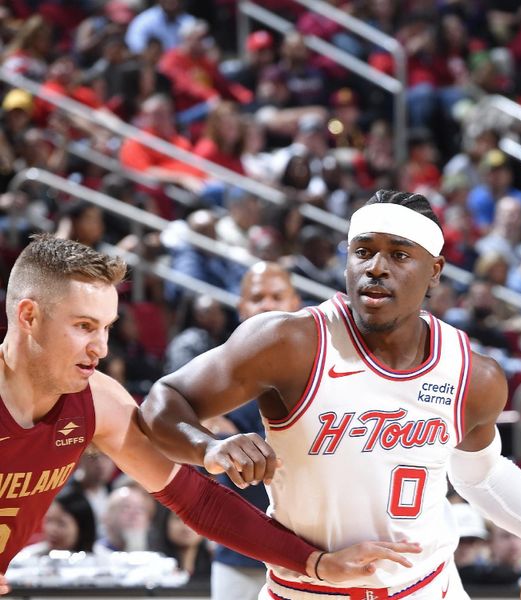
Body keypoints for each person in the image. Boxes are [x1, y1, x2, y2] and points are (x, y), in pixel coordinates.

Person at [140, 190, 521, 600]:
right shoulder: (290, 341)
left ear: (434, 272)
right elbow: (163, 401)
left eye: (398, 254)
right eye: (363, 252)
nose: (376, 267)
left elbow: (482, 475)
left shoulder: (473, 375)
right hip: (311, 589)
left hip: (428, 587)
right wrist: (205, 447)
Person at [0, 235, 421, 596]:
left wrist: (315, 563)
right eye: (84, 327)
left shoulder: (98, 400)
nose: (101, 348)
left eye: (107, 328)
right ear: (29, 317)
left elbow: (196, 499)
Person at [208, 261, 301, 600]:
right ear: (242, 307)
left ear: (295, 302)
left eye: (277, 296)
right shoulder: (215, 369)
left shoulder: (322, 367)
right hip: (238, 553)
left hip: (307, 554)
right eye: (257, 297)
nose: (267, 305)